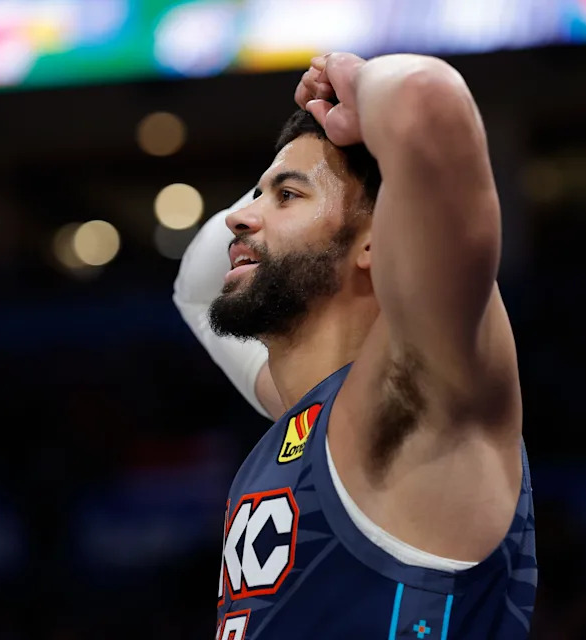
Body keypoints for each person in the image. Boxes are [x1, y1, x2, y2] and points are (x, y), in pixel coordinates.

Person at [173, 52, 536, 640]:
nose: (238, 218)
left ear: (376, 243)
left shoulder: (417, 390)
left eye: (288, 196)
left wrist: (350, 85)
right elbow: (193, 286)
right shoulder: (303, 418)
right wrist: (296, 156)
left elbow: (424, 97)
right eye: (254, 197)